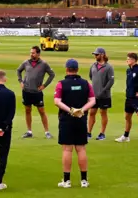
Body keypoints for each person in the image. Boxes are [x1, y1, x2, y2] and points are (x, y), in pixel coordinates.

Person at [53, 59, 96, 188]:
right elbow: (93, 100)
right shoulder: (86, 84)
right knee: (81, 148)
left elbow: (57, 101)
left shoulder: (61, 84)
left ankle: (66, 181)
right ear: (77, 69)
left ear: (67, 69)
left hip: (67, 118)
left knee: (67, 149)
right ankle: (84, 180)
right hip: (81, 118)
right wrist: (81, 110)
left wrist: (71, 110)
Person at [16, 46, 55, 139]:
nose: (31, 54)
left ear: (38, 54)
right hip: (26, 91)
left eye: (33, 53)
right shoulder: (26, 62)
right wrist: (20, 81)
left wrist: (44, 85)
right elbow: (18, 70)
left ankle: (47, 132)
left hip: (37, 92)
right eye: (30, 52)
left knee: (42, 111)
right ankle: (29, 131)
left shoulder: (44, 64)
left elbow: (52, 74)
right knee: (27, 110)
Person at [87, 47, 115, 140]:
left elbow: (111, 81)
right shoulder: (93, 65)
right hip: (94, 95)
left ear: (102, 54)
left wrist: (103, 90)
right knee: (92, 112)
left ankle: (102, 133)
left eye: (97, 54)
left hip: (104, 95)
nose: (95, 56)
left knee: (103, 113)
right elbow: (91, 76)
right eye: (95, 54)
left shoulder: (108, 67)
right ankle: (89, 132)